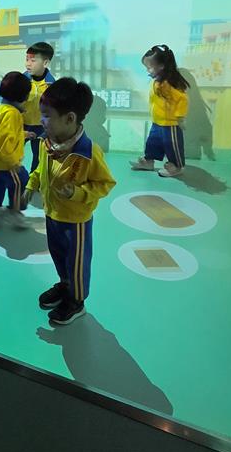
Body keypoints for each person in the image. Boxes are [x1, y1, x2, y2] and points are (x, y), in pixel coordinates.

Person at [24, 77, 116, 325]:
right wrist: (31, 184)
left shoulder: (88, 152)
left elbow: (105, 184)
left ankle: (77, 301)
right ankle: (65, 285)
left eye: (46, 115)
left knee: (77, 262)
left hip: (76, 222)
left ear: (70, 118)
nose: (41, 120)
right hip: (52, 214)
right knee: (58, 255)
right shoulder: (47, 143)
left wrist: (76, 193)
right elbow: (40, 170)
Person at [130, 44, 189, 177]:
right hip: (157, 121)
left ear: (161, 66)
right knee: (152, 143)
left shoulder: (167, 84)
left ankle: (177, 166)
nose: (147, 70)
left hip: (170, 124)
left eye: (149, 67)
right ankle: (148, 161)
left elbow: (183, 99)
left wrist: (180, 117)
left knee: (172, 146)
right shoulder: (157, 81)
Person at [0, 71, 34, 227]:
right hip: (7, 164)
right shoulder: (13, 114)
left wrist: (23, 134)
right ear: (21, 95)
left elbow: (3, 134)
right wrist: (14, 164)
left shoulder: (3, 108)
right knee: (21, 182)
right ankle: (15, 212)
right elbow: (6, 144)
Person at [23, 42, 56, 171]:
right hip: (21, 125)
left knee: (38, 157)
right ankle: (14, 179)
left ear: (45, 63)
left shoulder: (52, 85)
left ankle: (33, 180)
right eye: (27, 59)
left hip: (41, 127)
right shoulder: (21, 81)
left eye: (33, 60)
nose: (28, 64)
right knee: (12, 153)